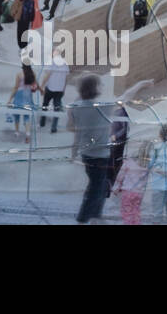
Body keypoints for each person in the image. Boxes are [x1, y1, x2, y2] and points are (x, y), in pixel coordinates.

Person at [69, 74, 114, 223]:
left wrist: (74, 152)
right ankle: (83, 218)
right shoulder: (102, 108)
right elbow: (126, 97)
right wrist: (140, 85)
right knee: (96, 188)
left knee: (99, 186)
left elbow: (74, 130)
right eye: (100, 84)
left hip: (88, 154)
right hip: (99, 156)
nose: (102, 86)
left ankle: (96, 216)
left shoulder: (76, 107)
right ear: (94, 88)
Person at [113, 141, 152, 225]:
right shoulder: (147, 165)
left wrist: (116, 188)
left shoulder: (129, 162)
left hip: (127, 192)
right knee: (136, 212)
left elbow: (120, 176)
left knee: (127, 214)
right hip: (139, 193)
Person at [8, 61, 40, 142]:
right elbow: (36, 85)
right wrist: (42, 90)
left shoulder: (19, 74)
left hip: (19, 95)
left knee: (17, 114)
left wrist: (10, 99)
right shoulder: (33, 74)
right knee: (26, 116)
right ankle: (28, 134)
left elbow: (16, 87)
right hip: (28, 96)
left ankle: (17, 132)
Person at [39, 50, 70, 132]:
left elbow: (47, 75)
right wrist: (64, 89)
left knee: (45, 105)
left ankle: (42, 123)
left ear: (54, 54)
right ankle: (54, 127)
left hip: (50, 88)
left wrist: (41, 86)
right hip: (59, 90)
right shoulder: (65, 63)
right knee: (57, 108)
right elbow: (66, 78)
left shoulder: (51, 62)